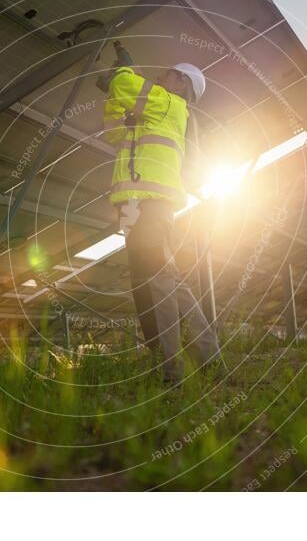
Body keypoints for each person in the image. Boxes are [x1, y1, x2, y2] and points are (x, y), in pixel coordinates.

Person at [98, 46, 223, 382]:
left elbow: (129, 87)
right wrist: (111, 93)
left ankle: (184, 363)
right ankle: (184, 359)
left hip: (151, 204)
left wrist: (122, 71)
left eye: (168, 72)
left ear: (180, 83)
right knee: (153, 282)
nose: (160, 75)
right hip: (137, 207)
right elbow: (114, 132)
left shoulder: (169, 104)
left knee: (163, 280)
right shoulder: (151, 116)